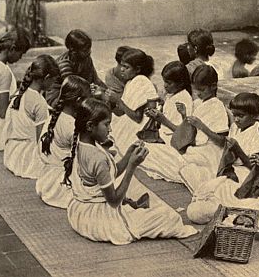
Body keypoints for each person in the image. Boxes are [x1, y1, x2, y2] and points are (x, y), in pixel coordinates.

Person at [64, 98, 197, 244]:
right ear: (90, 126)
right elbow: (114, 201)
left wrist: (128, 155)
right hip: (100, 220)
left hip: (80, 212)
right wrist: (132, 167)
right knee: (170, 217)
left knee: (143, 204)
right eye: (106, 124)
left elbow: (108, 175)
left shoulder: (82, 144)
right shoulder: (97, 158)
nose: (110, 129)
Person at [185, 112, 259, 224]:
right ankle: (217, 208)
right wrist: (256, 163)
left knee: (247, 204)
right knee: (224, 187)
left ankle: (219, 211)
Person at [179, 92, 259, 190]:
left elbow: (254, 167)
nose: (236, 119)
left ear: (254, 115)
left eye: (241, 116)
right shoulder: (235, 127)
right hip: (229, 165)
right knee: (188, 169)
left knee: (215, 185)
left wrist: (237, 149)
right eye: (234, 115)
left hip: (243, 171)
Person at [36, 75, 91, 209]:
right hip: (61, 186)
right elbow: (87, 157)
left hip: (46, 180)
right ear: (78, 101)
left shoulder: (54, 117)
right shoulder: (71, 125)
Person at [4, 55, 60, 179]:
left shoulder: (19, 93)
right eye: (53, 81)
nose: (53, 84)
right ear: (47, 78)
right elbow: (42, 141)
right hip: (26, 158)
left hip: (11, 152)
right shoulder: (39, 102)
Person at [137, 61, 194, 182]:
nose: (165, 86)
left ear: (181, 83)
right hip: (163, 136)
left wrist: (162, 119)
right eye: (164, 82)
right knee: (137, 146)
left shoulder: (184, 99)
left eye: (168, 83)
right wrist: (155, 116)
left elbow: (183, 133)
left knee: (144, 152)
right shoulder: (171, 95)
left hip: (174, 141)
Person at [177, 65, 229, 192]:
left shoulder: (217, 106)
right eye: (196, 90)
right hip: (196, 146)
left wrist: (202, 126)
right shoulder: (198, 103)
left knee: (180, 163)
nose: (198, 93)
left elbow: (222, 141)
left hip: (211, 150)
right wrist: (184, 115)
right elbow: (189, 131)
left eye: (202, 89)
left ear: (213, 86)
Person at [109, 48, 158, 155]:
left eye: (126, 67)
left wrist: (117, 100)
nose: (121, 69)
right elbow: (121, 112)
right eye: (121, 65)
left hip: (142, 129)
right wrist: (107, 99)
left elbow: (137, 117)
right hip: (132, 124)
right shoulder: (130, 82)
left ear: (137, 69)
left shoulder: (141, 81)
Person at [46, 29, 106, 106]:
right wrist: (94, 94)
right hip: (58, 98)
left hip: (80, 93)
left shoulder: (86, 59)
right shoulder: (63, 63)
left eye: (89, 48)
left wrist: (107, 91)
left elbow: (95, 80)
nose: (89, 51)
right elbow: (73, 90)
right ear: (73, 50)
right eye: (85, 50)